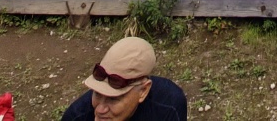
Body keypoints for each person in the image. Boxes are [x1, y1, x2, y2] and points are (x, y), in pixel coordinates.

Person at [59, 36, 188, 121]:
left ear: (143, 91)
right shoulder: (76, 117)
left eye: (113, 99)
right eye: (97, 93)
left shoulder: (169, 105)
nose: (100, 110)